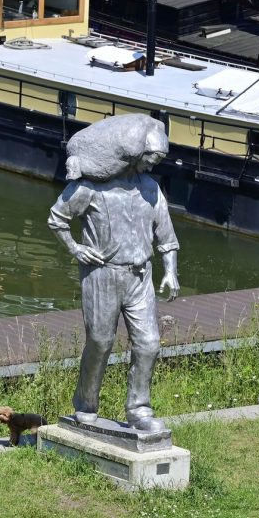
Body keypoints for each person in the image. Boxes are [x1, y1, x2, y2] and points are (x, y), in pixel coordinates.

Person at [48, 114, 180, 434]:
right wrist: (76, 249)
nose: (153, 165)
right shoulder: (90, 189)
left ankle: (139, 408)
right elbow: (57, 219)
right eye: (151, 159)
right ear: (135, 156)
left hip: (140, 278)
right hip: (102, 276)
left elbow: (167, 237)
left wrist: (170, 272)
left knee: (149, 344)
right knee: (100, 341)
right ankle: (85, 404)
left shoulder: (151, 189)